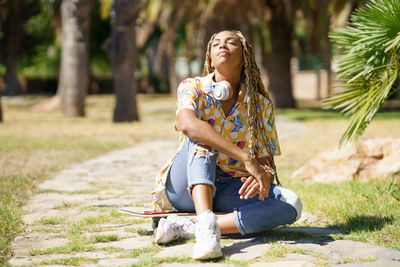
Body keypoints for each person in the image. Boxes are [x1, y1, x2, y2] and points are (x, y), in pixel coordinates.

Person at [152, 30, 302, 260]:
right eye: (216, 44)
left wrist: (263, 176)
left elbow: (266, 164)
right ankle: (204, 224)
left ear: (244, 57)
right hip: (184, 187)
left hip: (230, 188)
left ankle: (195, 227)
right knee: (203, 136)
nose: (223, 46)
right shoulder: (193, 87)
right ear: (210, 59)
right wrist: (245, 158)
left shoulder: (259, 104)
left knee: (291, 203)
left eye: (231, 43)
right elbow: (187, 124)